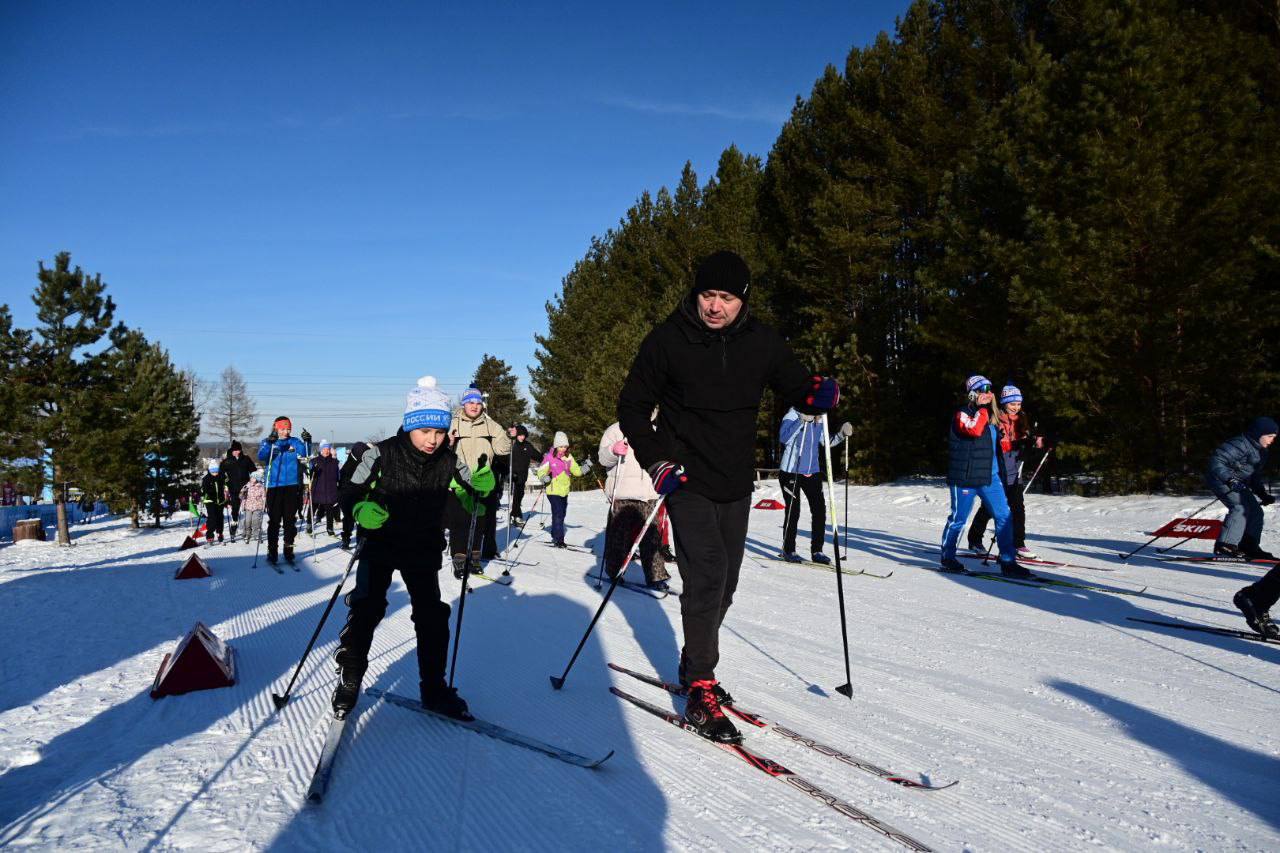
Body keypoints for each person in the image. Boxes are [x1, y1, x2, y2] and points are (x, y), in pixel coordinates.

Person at [617, 249, 839, 743]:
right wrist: (657, 460)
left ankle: (692, 659)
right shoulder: (667, 340)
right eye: (708, 295)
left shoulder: (761, 342)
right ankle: (700, 682)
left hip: (735, 482)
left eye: (727, 298)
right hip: (685, 477)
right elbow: (632, 407)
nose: (715, 307)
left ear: (743, 301)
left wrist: (819, 394)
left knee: (726, 585)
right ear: (695, 294)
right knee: (708, 572)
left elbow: (799, 387)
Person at [332, 376, 476, 720]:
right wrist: (359, 509)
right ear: (411, 425)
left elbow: (475, 498)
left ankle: (434, 688)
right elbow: (348, 490)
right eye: (425, 431)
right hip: (380, 543)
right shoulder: (381, 453)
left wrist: (481, 492)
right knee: (367, 608)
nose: (433, 440)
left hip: (423, 545)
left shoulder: (449, 460)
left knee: (432, 617)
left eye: (440, 432)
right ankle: (350, 676)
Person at [939, 376, 1029, 578]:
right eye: (982, 390)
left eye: (989, 390)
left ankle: (1008, 561)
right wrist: (981, 409)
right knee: (958, 519)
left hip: (990, 478)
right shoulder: (963, 414)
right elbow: (973, 429)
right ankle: (948, 557)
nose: (987, 394)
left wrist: (1024, 444)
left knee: (1004, 516)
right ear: (972, 393)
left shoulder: (992, 418)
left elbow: (1000, 448)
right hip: (965, 477)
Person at [1214, 417, 1280, 638]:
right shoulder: (1240, 443)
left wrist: (1261, 493)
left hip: (1239, 482)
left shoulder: (1261, 451)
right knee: (1240, 508)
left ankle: (1250, 544)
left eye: (1274, 437)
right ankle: (1225, 545)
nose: (1272, 440)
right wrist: (1229, 479)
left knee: (1256, 511)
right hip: (1221, 480)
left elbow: (1254, 476)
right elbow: (1216, 462)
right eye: (1269, 436)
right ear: (1257, 433)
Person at [965, 385, 1044, 558]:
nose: (1016, 407)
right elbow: (996, 443)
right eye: (1012, 404)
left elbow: (1026, 443)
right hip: (998, 470)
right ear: (1004, 403)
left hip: (1015, 471)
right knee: (989, 507)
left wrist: (1032, 446)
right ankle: (974, 539)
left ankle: (1018, 544)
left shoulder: (1022, 419)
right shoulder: (996, 418)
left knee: (1018, 508)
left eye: (1018, 404)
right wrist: (1015, 445)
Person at [599, 421, 671, 589]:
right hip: (623, 493)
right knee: (619, 537)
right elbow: (603, 459)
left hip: (649, 493)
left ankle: (656, 576)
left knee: (652, 538)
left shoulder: (656, 430)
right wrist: (612, 450)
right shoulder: (615, 430)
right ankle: (614, 570)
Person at [777, 408, 850, 564]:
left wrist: (842, 435)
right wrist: (801, 420)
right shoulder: (792, 414)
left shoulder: (820, 418)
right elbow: (784, 438)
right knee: (793, 511)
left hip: (812, 471)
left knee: (819, 510)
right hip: (791, 471)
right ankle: (788, 550)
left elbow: (826, 442)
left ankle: (817, 551)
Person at [449, 384, 511, 562]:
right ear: (463, 405)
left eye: (477, 402)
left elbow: (501, 450)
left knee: (479, 520)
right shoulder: (453, 424)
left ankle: (475, 556)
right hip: (459, 479)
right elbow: (441, 449)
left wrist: (508, 437)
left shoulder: (491, 425)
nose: (474, 406)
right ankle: (459, 557)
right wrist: (448, 441)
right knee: (460, 521)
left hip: (482, 480)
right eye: (470, 402)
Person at [257, 416, 308, 565]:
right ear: (276, 428)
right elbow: (262, 456)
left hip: (291, 485)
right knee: (274, 520)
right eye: (283, 429)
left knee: (289, 520)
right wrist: (270, 444)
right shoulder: (268, 442)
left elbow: (304, 452)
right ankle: (272, 552)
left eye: (288, 429)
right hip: (274, 486)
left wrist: (307, 441)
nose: (286, 432)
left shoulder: (294, 441)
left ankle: (288, 550)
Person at [535, 432, 585, 548]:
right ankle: (559, 539)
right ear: (556, 446)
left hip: (564, 491)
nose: (563, 449)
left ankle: (554, 533)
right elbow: (541, 471)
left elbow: (576, 471)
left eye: (565, 446)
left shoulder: (569, 457)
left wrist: (585, 467)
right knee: (558, 514)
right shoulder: (549, 457)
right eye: (561, 446)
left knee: (561, 514)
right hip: (553, 491)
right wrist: (544, 477)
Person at [221, 440, 257, 542]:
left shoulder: (246, 459)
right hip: (233, 488)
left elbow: (253, 470)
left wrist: (255, 479)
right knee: (235, 508)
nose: (237, 452)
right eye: (235, 450)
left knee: (248, 507)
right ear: (232, 450)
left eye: (239, 450)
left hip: (246, 487)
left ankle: (248, 527)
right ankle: (234, 524)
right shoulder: (227, 461)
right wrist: (225, 482)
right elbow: (221, 474)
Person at [338, 441, 370, 550]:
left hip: (360, 496)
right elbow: (342, 483)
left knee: (361, 520)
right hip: (347, 496)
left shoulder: (365, 465)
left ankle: (360, 542)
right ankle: (346, 539)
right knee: (348, 519)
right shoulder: (348, 467)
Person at [507, 425, 541, 524]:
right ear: (516, 435)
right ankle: (516, 515)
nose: (522, 437)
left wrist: (546, 460)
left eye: (524, 435)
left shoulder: (527, 446)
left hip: (523, 475)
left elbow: (537, 455)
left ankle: (514, 514)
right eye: (520, 435)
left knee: (520, 495)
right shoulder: (512, 445)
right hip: (514, 475)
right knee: (517, 495)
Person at [310, 440, 341, 537]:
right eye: (324, 449)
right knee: (313, 508)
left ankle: (330, 528)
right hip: (317, 489)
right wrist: (311, 470)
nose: (326, 451)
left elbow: (338, 476)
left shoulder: (335, 462)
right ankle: (309, 524)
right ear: (321, 450)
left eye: (328, 449)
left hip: (330, 490)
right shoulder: (314, 461)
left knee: (330, 511)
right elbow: (309, 474)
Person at [200, 460, 228, 544]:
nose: (215, 473)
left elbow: (226, 484)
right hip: (210, 500)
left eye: (216, 471)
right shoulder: (206, 479)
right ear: (210, 471)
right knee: (212, 518)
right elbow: (203, 489)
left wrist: (226, 489)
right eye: (213, 471)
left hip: (220, 501)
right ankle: (210, 534)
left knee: (220, 517)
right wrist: (204, 494)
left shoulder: (222, 476)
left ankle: (220, 533)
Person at [239, 470, 267, 544]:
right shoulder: (247, 486)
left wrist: (264, 505)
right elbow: (241, 496)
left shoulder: (261, 487)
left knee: (256, 521)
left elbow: (264, 497)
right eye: (251, 477)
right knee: (247, 521)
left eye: (254, 478)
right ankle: (247, 534)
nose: (252, 479)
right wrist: (243, 492)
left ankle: (256, 535)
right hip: (248, 507)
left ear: (257, 479)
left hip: (257, 507)